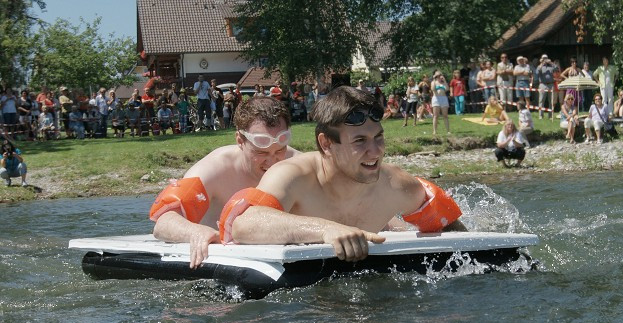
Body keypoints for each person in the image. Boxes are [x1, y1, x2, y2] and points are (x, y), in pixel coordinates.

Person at [217, 86, 466, 262]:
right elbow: (241, 224)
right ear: (326, 144)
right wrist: (327, 230)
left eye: (378, 137)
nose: (375, 151)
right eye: (359, 141)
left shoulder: (398, 185)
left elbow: (460, 236)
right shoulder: (292, 176)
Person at [150, 97, 300, 267]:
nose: (273, 161)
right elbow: (163, 223)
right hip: (220, 264)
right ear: (240, 141)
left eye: (280, 150)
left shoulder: (299, 165)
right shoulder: (213, 170)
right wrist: (195, 231)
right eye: (261, 153)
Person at [430, 71, 450, 136]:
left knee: (445, 115)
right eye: (437, 75)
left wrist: (444, 80)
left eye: (440, 75)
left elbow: (447, 89)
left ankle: (448, 131)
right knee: (435, 116)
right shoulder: (433, 82)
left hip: (443, 98)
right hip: (436, 98)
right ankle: (434, 131)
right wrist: (434, 79)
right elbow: (433, 89)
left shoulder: (443, 82)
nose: (439, 76)